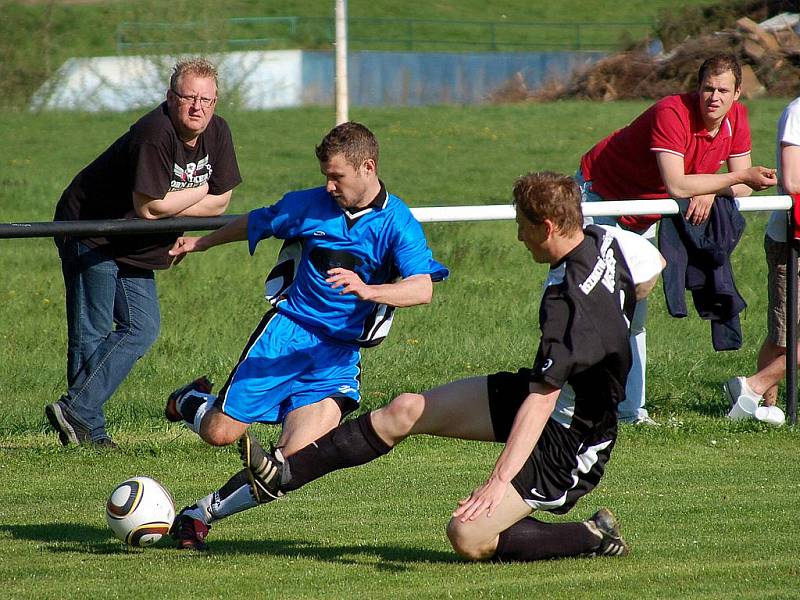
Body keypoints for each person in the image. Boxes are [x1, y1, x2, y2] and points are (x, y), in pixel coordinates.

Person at [240, 172, 666, 562]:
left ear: (548, 227)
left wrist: (499, 480)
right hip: (544, 397)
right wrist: (622, 312)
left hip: (571, 439)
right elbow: (653, 266)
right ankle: (285, 473)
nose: (519, 236)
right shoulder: (605, 239)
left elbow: (542, 401)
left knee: (467, 535)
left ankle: (591, 535)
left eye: (523, 226)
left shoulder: (568, 309)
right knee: (403, 410)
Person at [164, 121, 449, 550]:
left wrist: (368, 289)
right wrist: (200, 245)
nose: (329, 186)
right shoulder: (307, 206)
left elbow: (422, 288)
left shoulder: (398, 224)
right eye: (325, 177)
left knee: (291, 465)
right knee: (221, 434)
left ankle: (199, 514)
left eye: (337, 176)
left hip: (337, 358)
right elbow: (255, 221)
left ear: (367, 167)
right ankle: (189, 401)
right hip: (286, 335)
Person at [46, 58, 241, 448]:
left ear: (216, 102)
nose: (197, 107)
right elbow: (149, 208)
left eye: (207, 99)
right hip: (92, 231)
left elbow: (222, 204)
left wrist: (176, 204)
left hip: (135, 242)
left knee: (143, 327)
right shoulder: (155, 133)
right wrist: (201, 191)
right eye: (189, 97)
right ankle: (88, 431)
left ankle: (76, 412)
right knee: (93, 332)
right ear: (170, 98)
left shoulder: (217, 132)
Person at [577, 53, 777, 424]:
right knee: (594, 303)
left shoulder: (737, 121)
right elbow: (681, 184)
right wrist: (723, 182)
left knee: (633, 311)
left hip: (645, 213)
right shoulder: (672, 112)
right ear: (696, 89)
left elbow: (743, 189)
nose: (713, 98)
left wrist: (712, 189)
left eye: (722, 90)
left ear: (737, 95)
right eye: (706, 88)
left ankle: (629, 411)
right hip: (601, 196)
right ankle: (576, 403)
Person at [723, 95, 800, 423]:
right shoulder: (798, 112)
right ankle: (757, 396)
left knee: (784, 333)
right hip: (791, 240)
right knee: (783, 333)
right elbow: (792, 180)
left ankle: (753, 397)